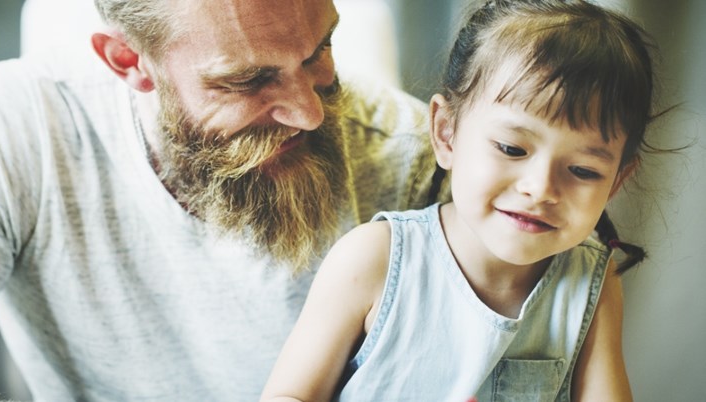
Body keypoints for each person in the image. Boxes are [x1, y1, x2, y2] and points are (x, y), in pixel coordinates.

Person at [0, 0, 447, 400]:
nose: (309, 112)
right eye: (248, 80)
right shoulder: (14, 131)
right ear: (130, 61)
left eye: (319, 49)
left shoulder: (421, 164)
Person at [260, 0, 660, 400]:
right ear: (446, 132)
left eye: (584, 171)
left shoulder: (591, 282)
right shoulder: (372, 258)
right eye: (511, 148)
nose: (540, 189)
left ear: (615, 182)